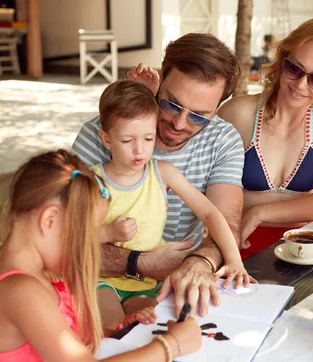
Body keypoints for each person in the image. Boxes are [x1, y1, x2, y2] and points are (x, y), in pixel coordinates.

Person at [0, 149, 202, 362]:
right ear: (49, 220)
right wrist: (171, 345)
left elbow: (61, 340)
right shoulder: (20, 291)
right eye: (87, 234)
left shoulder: (26, 276)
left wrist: (121, 328)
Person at [72, 33, 252, 318]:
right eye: (171, 103)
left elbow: (223, 220)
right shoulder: (101, 135)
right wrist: (140, 262)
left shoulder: (223, 140)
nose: (179, 124)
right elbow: (66, 241)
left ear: (218, 108)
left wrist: (200, 262)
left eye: (199, 116)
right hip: (103, 281)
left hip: (172, 283)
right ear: (161, 77)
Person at [94, 80, 249, 335]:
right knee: (111, 327)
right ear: (106, 139)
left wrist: (234, 261)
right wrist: (108, 233)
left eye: (147, 138)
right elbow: (73, 239)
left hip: (144, 283)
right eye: (127, 140)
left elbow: (211, 213)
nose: (139, 150)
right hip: (101, 280)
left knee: (148, 325)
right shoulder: (92, 183)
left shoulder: (162, 173)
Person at [217, 17, 313, 260]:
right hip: (236, 242)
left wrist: (260, 212)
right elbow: (206, 191)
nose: (302, 85)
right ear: (283, 58)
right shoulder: (238, 113)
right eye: (295, 69)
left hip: (304, 246)